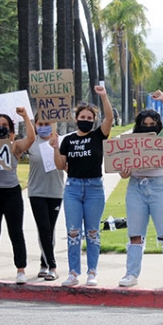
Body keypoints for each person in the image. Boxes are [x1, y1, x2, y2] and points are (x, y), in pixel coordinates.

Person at [117, 90, 163, 289]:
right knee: (135, 234)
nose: (148, 127)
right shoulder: (129, 139)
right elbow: (123, 174)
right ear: (139, 125)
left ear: (158, 124)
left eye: (152, 123)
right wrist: (125, 170)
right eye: (145, 124)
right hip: (136, 186)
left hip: (159, 185)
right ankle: (131, 274)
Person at [53, 85, 114, 287]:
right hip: (72, 188)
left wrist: (103, 96)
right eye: (83, 117)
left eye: (90, 118)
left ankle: (92, 272)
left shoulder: (98, 136)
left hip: (95, 189)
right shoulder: (68, 140)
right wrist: (55, 148)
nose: (86, 120)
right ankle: (72, 272)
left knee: (93, 232)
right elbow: (61, 166)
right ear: (76, 118)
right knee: (72, 231)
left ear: (93, 121)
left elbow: (109, 118)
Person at [0, 107, 35, 285]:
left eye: (4, 124)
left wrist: (25, 116)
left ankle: (20, 270)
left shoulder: (15, 146)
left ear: (10, 128)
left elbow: (31, 138)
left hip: (11, 191)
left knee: (16, 232)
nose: (0, 127)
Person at [27, 113, 65, 282]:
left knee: (50, 228)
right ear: (35, 124)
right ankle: (52, 266)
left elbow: (66, 166)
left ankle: (44, 262)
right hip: (36, 192)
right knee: (43, 227)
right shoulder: (31, 142)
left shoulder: (60, 142)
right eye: (40, 123)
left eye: (47, 123)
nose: (43, 126)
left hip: (55, 191)